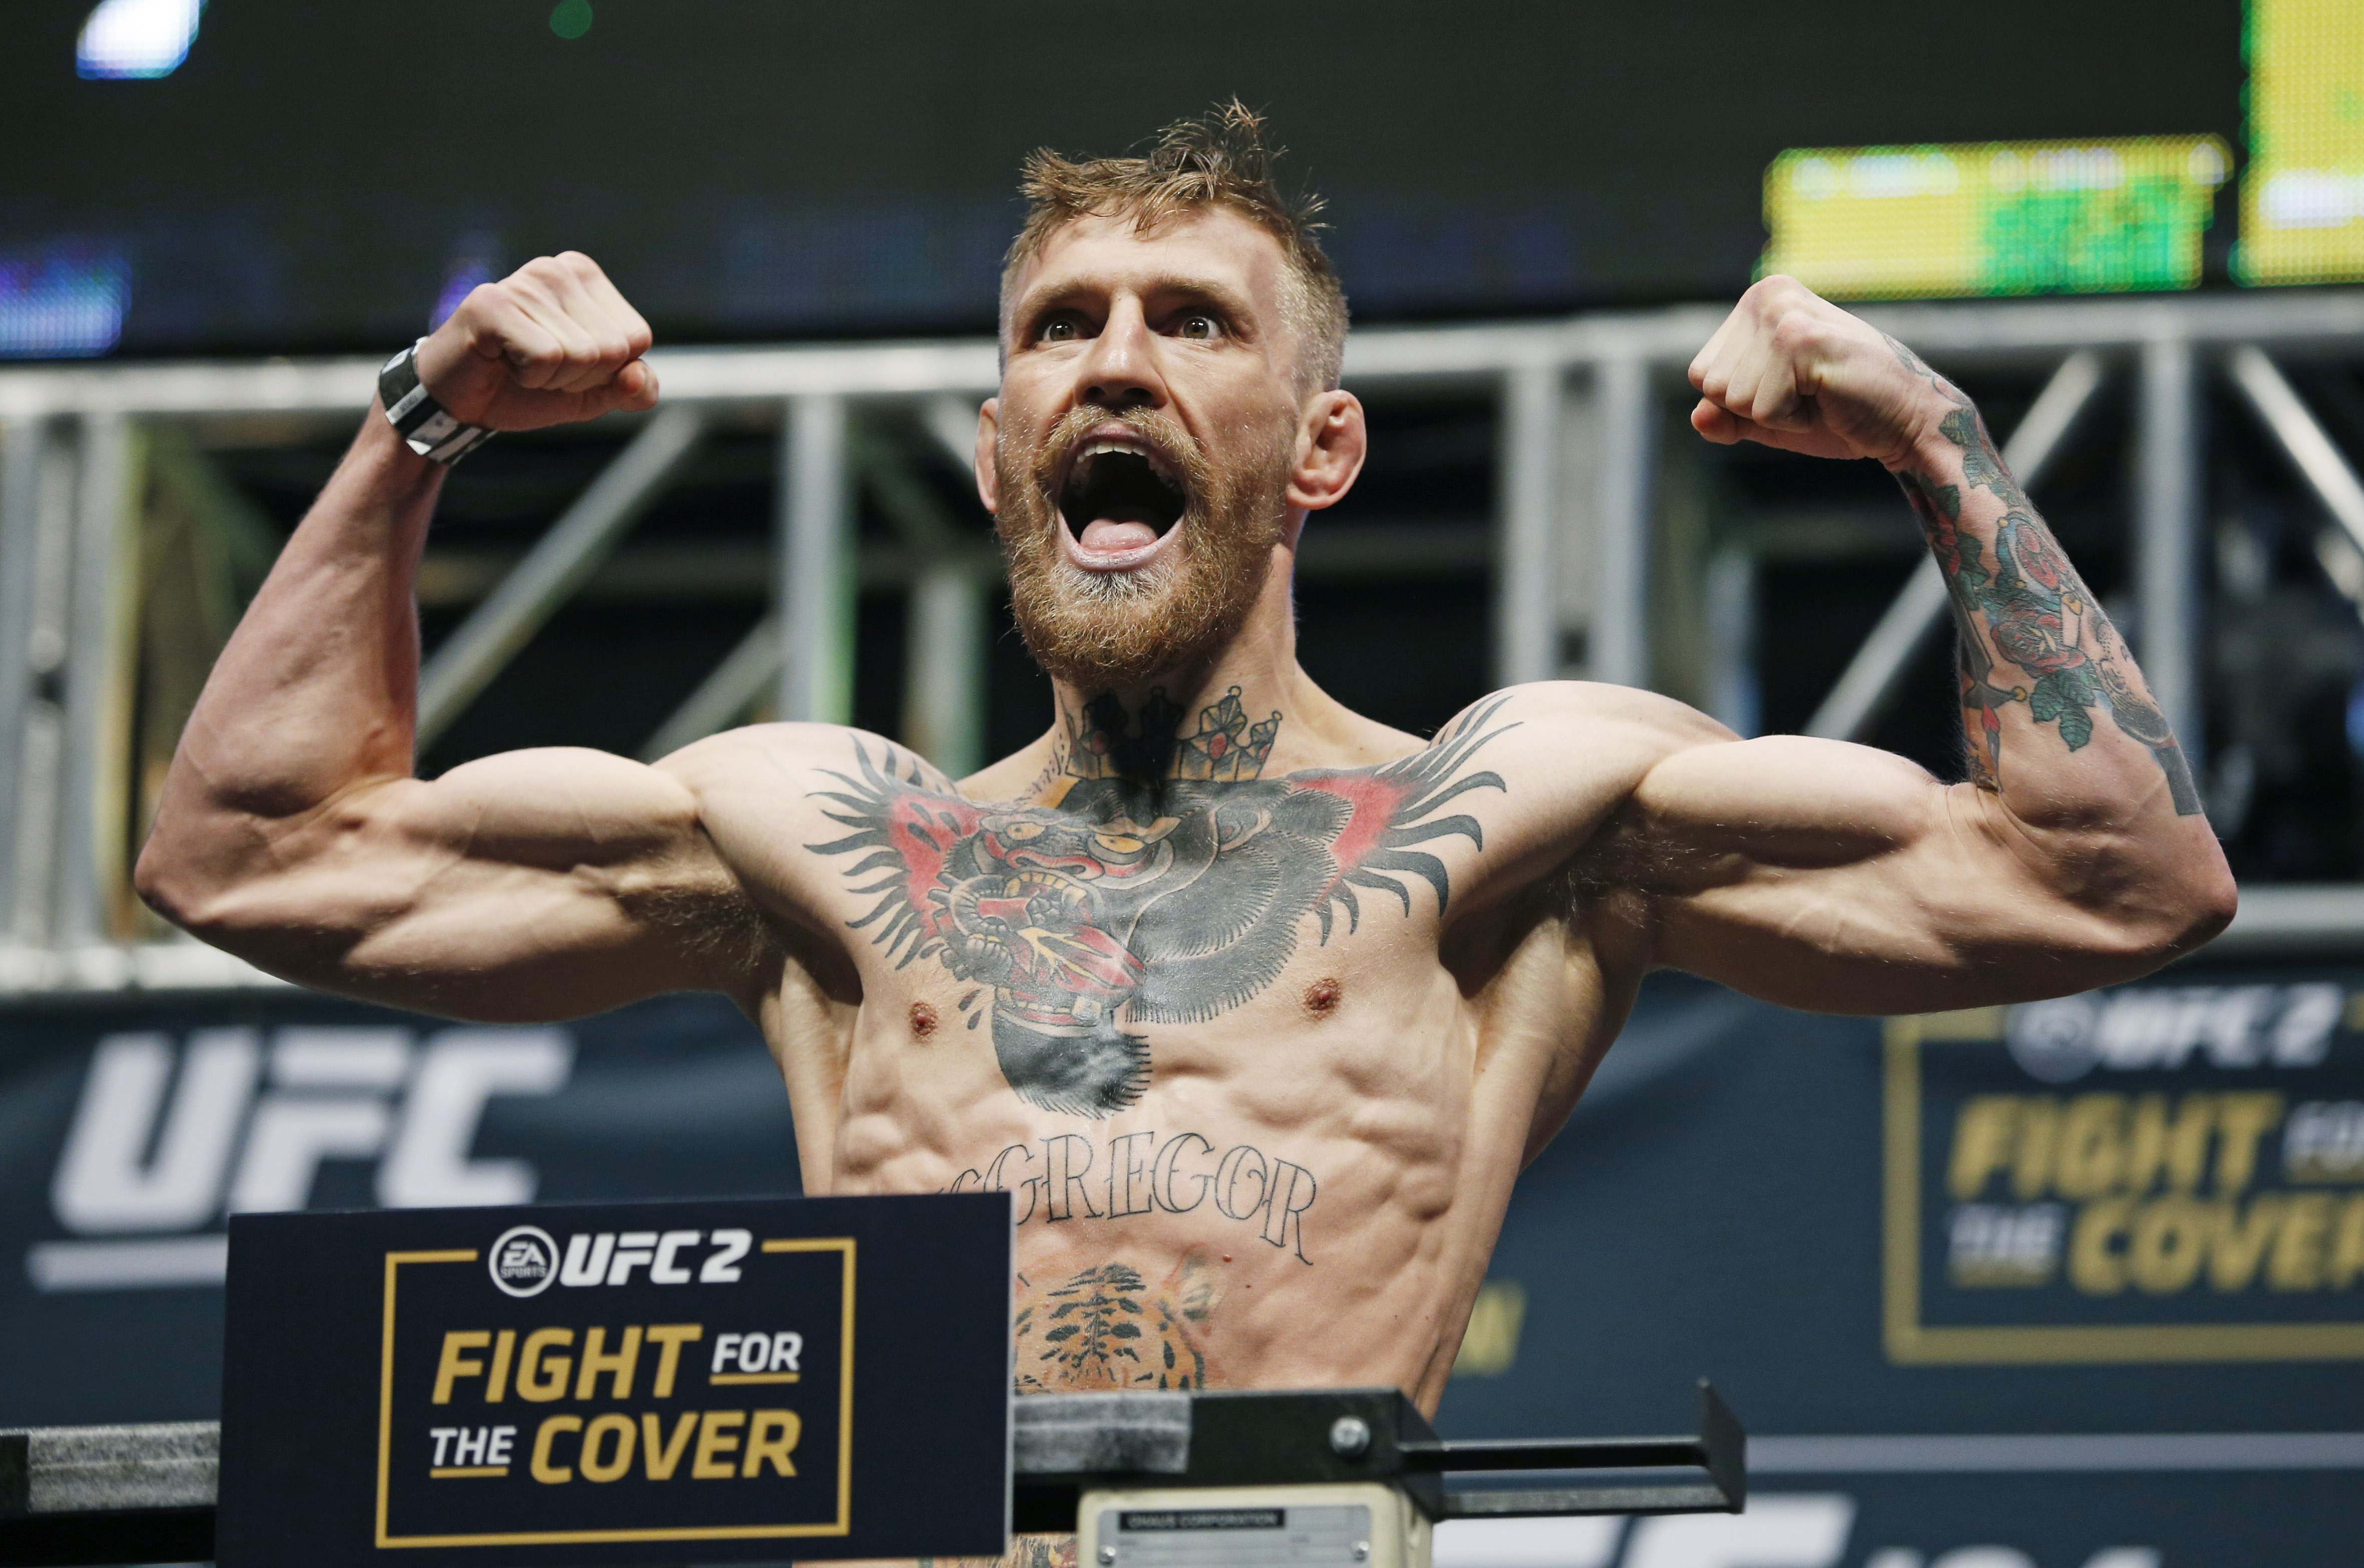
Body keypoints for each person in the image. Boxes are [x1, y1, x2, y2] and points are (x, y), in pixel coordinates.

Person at [136, 96, 2231, 1487]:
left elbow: (2110, 884)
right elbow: (244, 849)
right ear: (991, 450)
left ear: (1314, 452)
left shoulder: (1513, 823)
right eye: (1060, 328)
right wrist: (426, 413)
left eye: (1188, 323)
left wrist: (1926, 431)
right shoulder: (821, 845)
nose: (1113, 364)